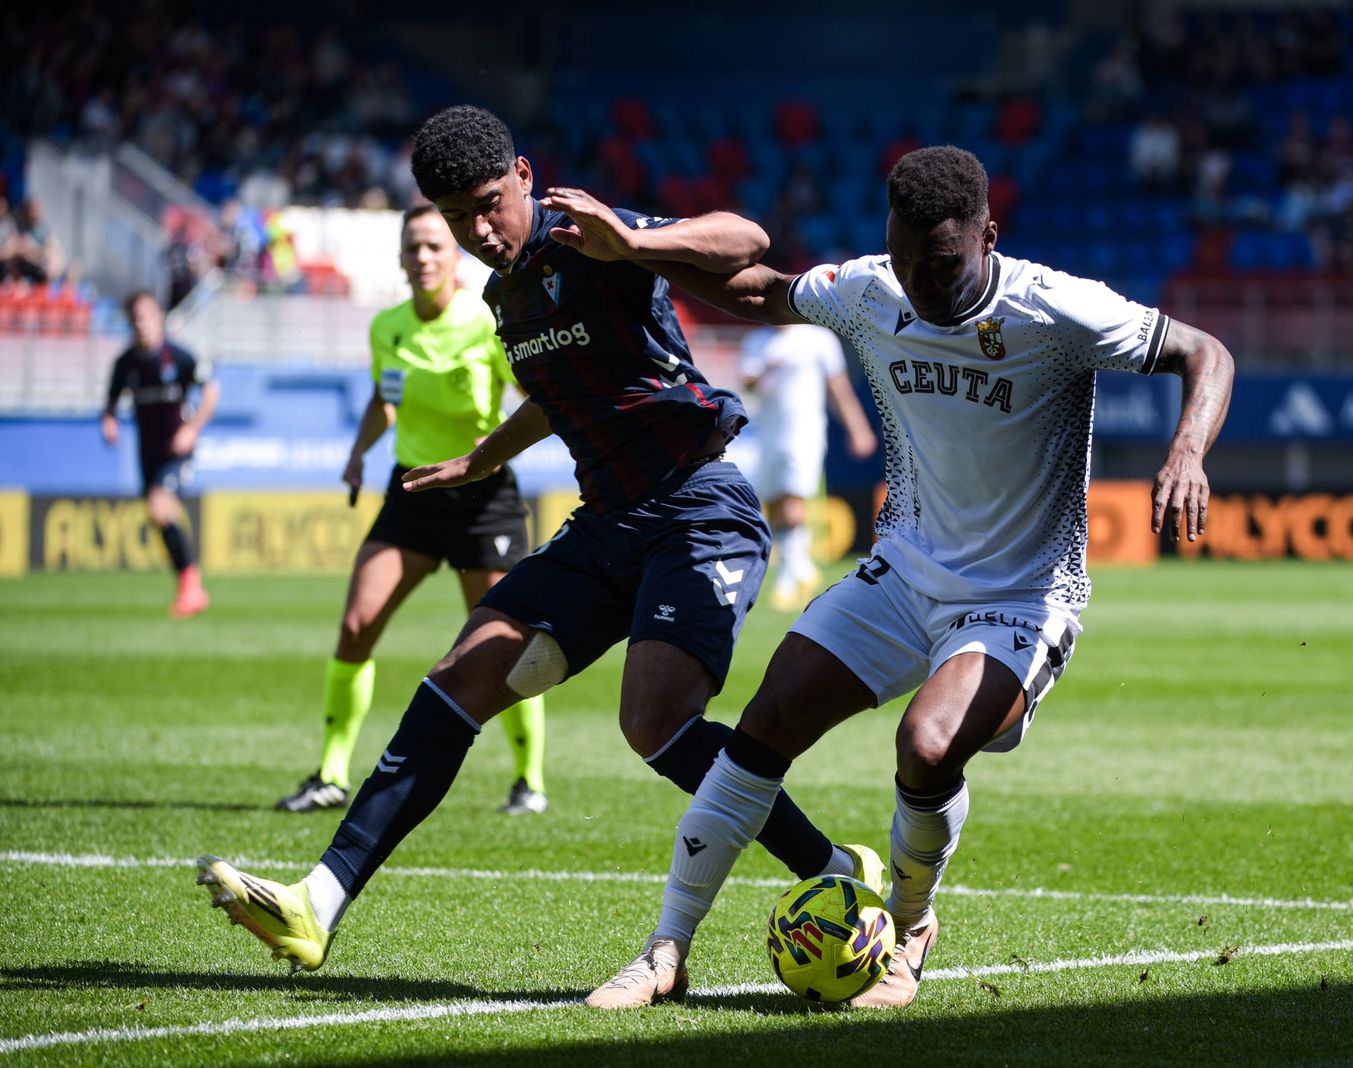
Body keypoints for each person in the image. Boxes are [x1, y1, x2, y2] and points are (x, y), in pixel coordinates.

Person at [196, 105, 879, 975]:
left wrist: (632, 246)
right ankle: (316, 903)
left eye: (489, 204)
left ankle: (828, 867)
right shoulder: (503, 292)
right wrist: (484, 456)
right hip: (604, 526)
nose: (478, 230)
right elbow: (562, 389)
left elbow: (743, 237)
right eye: (455, 219)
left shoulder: (591, 235)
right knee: (459, 676)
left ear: (524, 176)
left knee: (655, 725)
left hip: (698, 508)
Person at [582, 145, 1235, 1008]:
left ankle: (911, 927)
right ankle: (665, 950)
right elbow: (757, 291)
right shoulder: (870, 291)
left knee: (927, 746)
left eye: (939, 265)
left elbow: (1205, 350)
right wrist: (635, 248)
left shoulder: (1055, 309)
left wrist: (1186, 449)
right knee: (763, 726)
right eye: (902, 260)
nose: (918, 284)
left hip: (1019, 596)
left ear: (987, 237)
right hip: (900, 575)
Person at [275, 204, 549, 818]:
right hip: (413, 491)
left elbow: (540, 398)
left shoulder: (487, 323)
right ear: (400, 259)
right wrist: (357, 452)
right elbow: (384, 398)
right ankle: (330, 774)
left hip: (485, 496)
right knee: (355, 626)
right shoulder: (388, 328)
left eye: (433, 246)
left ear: (455, 256)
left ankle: (528, 782)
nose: (422, 258)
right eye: (412, 248)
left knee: (506, 644)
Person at [739, 324, 877, 610]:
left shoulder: (817, 339)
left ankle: (794, 575)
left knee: (793, 499)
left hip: (804, 432)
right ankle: (798, 569)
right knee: (774, 503)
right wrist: (764, 370)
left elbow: (838, 387)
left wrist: (858, 429)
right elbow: (748, 384)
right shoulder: (758, 340)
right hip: (767, 432)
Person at [101, 292, 219, 618]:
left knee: (159, 506)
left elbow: (211, 391)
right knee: (159, 515)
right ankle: (189, 586)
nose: (143, 324)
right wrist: (109, 422)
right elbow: (110, 404)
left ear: (159, 318)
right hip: (148, 453)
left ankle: (192, 587)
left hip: (178, 451)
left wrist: (192, 429)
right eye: (136, 318)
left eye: (148, 316)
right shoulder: (126, 364)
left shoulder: (178, 357)